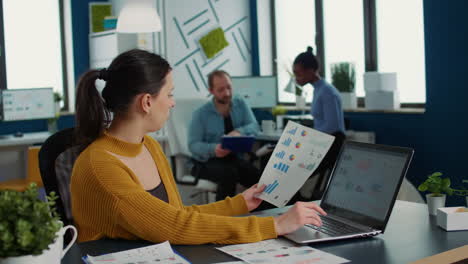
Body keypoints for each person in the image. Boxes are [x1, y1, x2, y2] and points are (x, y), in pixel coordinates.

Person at [70, 49, 326, 245]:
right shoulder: (100, 165)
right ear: (147, 102)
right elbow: (175, 225)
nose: (172, 103)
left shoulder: (148, 146)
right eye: (169, 94)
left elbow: (177, 213)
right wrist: (275, 225)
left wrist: (239, 204)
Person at [188, 70, 261, 201]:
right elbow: (193, 145)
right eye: (221, 90)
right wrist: (214, 149)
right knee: (229, 174)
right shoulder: (201, 114)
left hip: (233, 159)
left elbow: (254, 126)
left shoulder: (240, 103)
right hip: (205, 162)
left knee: (259, 179)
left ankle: (267, 215)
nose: (227, 93)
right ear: (211, 91)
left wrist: (239, 132)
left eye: (229, 87)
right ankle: (223, 219)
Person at [292, 47, 346, 199]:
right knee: (286, 168)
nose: (296, 78)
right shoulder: (318, 89)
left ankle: (298, 205)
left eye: (298, 73)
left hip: (332, 145)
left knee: (292, 171)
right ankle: (297, 203)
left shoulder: (328, 92)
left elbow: (332, 126)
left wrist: (307, 139)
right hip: (322, 143)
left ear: (311, 71)